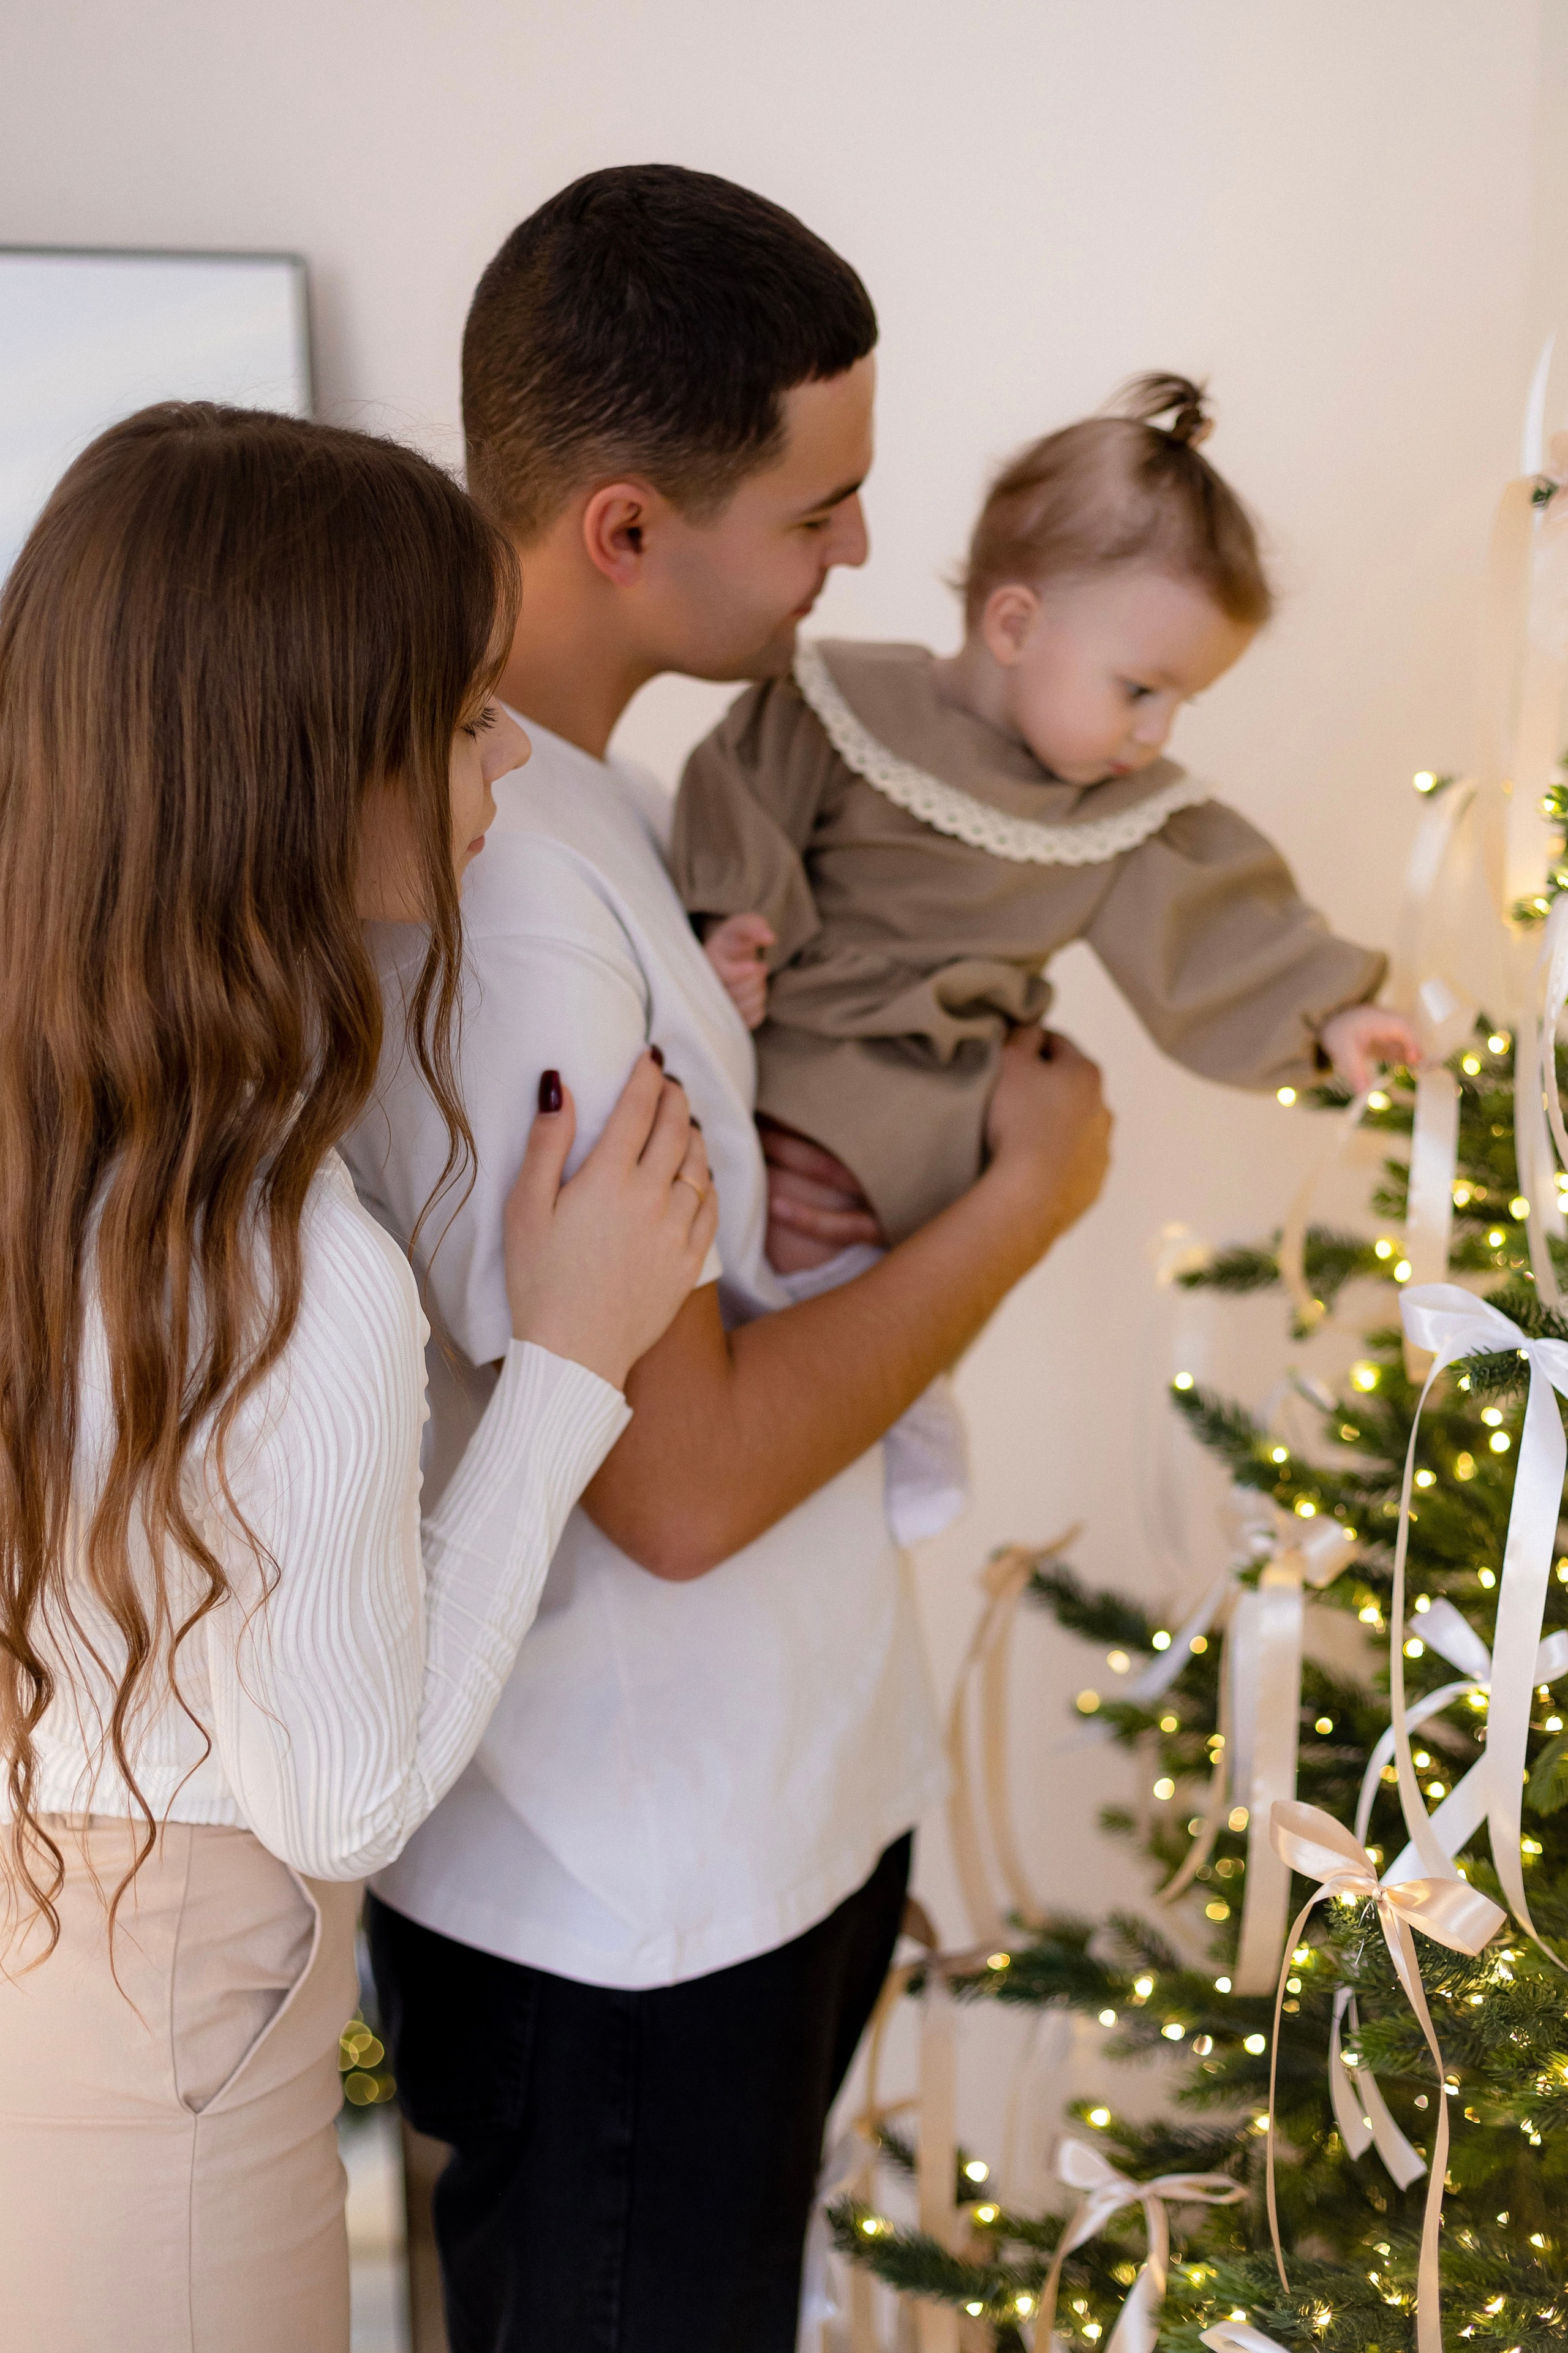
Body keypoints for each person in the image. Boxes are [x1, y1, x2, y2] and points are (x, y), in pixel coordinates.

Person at [343, 164, 1110, 2353]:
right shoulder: (509, 907)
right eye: (818, 506)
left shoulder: (583, 793)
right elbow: (672, 1487)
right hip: (628, 1929)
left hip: (737, 1853)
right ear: (621, 528)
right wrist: (1024, 1205)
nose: (864, 552)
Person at [0, 402, 715, 2353]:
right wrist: (575, 1362)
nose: (510, 765)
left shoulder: (62, 1142)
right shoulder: (283, 1268)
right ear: (310, 769)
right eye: (469, 713)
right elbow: (348, 1795)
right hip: (164, 2048)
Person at [677, 372, 1420, 1261]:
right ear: (1016, 626)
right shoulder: (843, 704)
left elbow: (1221, 930)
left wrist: (1332, 1014)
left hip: (916, 1159)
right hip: (760, 1079)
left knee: (840, 1332)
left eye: (1183, 703)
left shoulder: (1115, 818)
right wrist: (734, 921)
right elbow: (742, 794)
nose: (1156, 733)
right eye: (1139, 689)